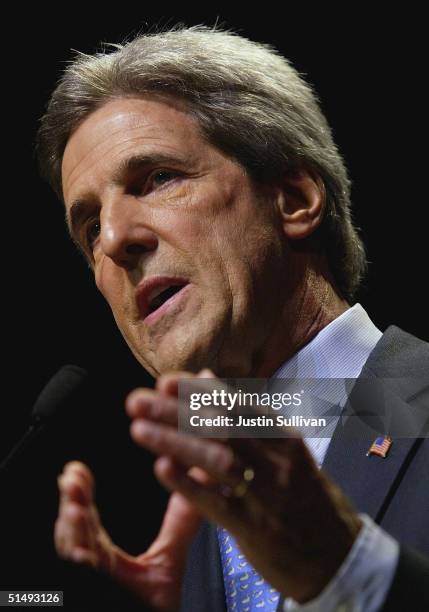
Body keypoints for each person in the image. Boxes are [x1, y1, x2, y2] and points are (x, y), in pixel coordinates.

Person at [36, 26, 429, 611]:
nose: (115, 240)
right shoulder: (175, 529)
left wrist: (351, 578)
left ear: (294, 199)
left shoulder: (419, 395)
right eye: (90, 227)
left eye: (158, 179)